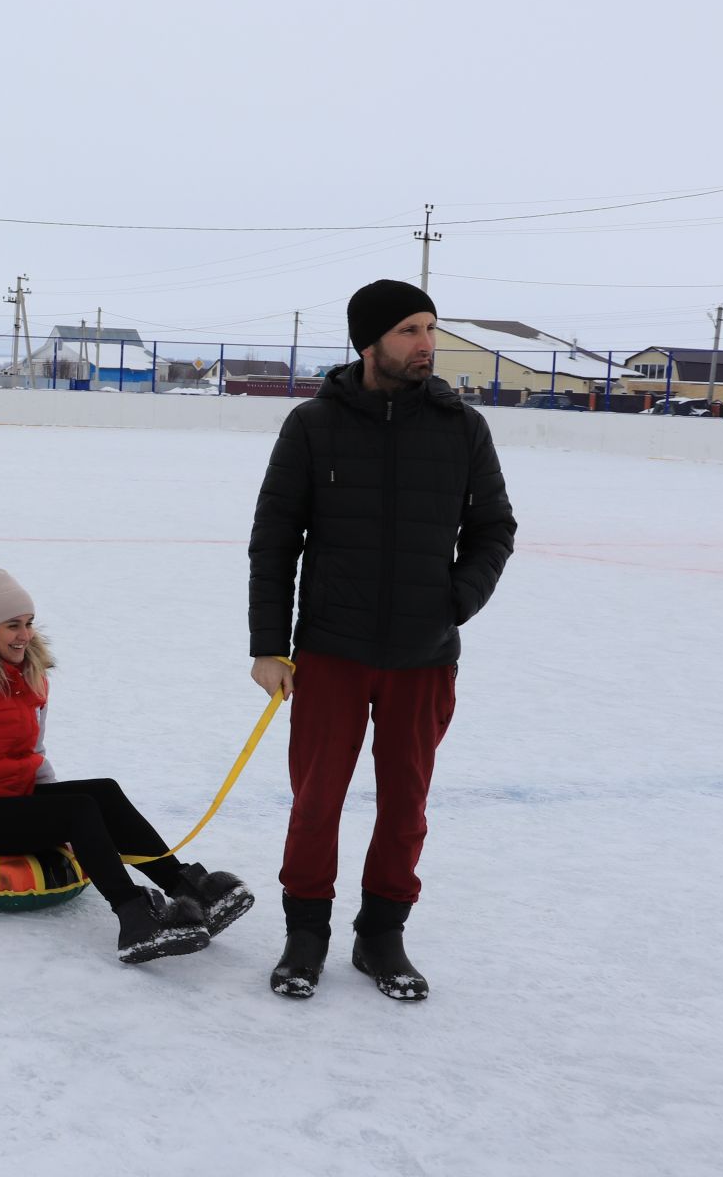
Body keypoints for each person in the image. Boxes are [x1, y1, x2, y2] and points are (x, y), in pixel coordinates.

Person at [249, 279, 516, 1002]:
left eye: (430, 328)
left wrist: (453, 604)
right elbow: (275, 541)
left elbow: (494, 529)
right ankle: (306, 933)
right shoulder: (313, 425)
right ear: (369, 342)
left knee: (406, 804)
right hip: (332, 652)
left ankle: (382, 936)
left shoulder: (462, 428)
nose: (426, 344)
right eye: (408, 330)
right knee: (316, 802)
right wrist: (269, 644)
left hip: (424, 656)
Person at [0, 567, 254, 964]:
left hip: (11, 798)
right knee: (79, 809)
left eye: (29, 623)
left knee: (101, 791)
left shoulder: (30, 678)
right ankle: (134, 917)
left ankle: (187, 889)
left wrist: (57, 816)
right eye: (13, 626)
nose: (25, 635)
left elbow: (32, 756)